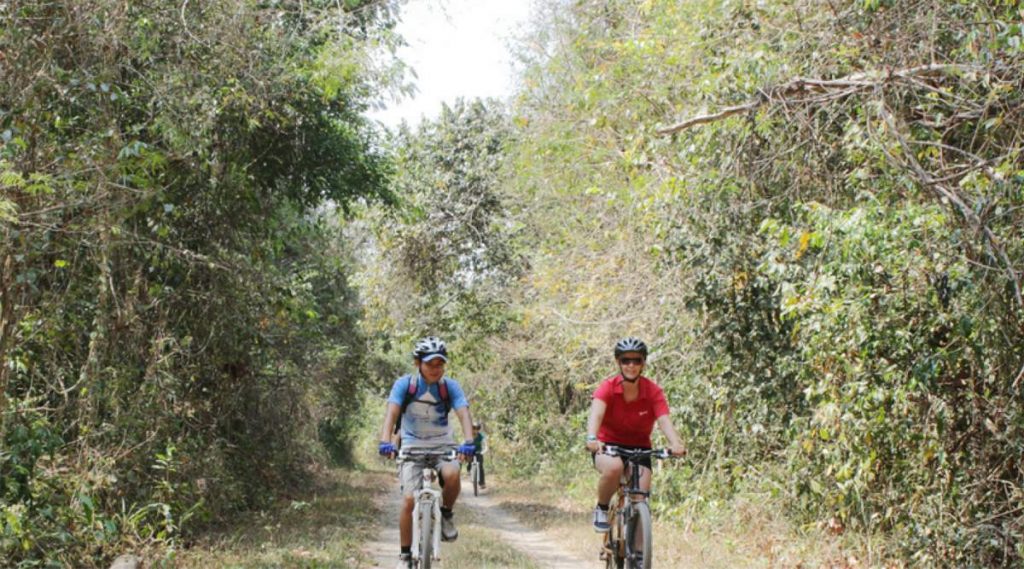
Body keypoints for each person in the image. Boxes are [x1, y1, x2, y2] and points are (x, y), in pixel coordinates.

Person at [378, 336, 476, 569]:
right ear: (418, 363)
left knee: (452, 474)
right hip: (412, 447)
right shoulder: (406, 385)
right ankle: (405, 556)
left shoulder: (449, 387)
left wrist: (469, 441)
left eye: (439, 364)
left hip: (443, 447)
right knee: (409, 500)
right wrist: (385, 441)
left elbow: (463, 413)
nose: (435, 368)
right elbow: (392, 413)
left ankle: (446, 513)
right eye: (430, 363)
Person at [584, 337, 686, 532]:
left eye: (636, 360)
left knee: (640, 497)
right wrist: (592, 438)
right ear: (618, 362)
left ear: (643, 363)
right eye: (626, 360)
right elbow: (596, 414)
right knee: (614, 468)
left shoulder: (653, 391)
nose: (631, 365)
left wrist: (675, 443)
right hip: (608, 446)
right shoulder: (608, 387)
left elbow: (664, 420)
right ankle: (602, 508)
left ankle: (638, 549)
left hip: (640, 449)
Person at [471, 421, 487, 489]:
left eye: (477, 428)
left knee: (480, 466)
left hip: (479, 452)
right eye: (474, 428)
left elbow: (485, 445)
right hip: (471, 452)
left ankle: (482, 483)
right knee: (469, 461)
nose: (475, 430)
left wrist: (483, 451)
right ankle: (469, 470)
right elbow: (465, 442)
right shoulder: (469, 435)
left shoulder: (481, 436)